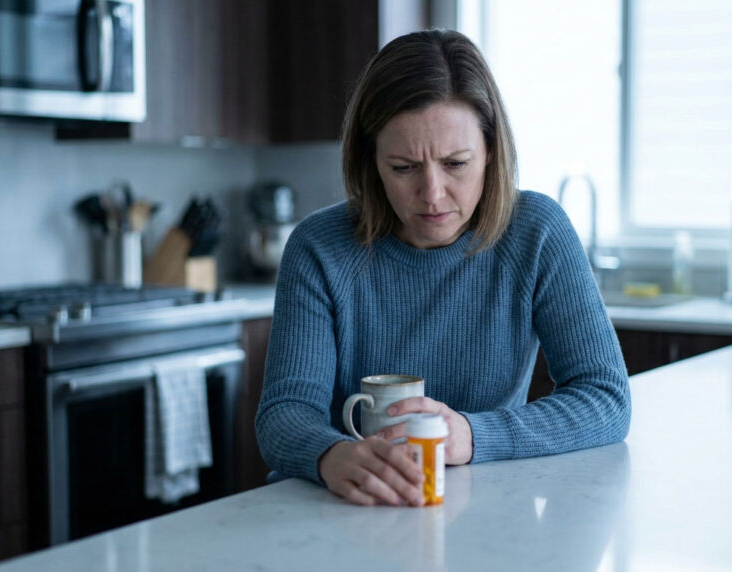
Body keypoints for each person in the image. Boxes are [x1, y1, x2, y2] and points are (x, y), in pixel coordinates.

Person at [255, 29, 630, 507]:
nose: (432, 195)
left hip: (486, 511)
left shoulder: (537, 232)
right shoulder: (318, 248)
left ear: (491, 150)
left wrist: (470, 435)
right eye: (403, 167)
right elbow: (284, 413)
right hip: (342, 509)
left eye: (455, 163)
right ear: (371, 163)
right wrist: (330, 454)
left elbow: (605, 400)